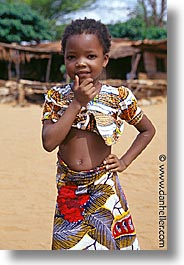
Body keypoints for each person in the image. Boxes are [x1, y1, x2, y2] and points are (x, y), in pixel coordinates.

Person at [41, 18, 155, 250]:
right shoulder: (56, 97)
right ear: (64, 60)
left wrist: (124, 161)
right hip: (69, 192)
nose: (81, 63)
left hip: (104, 188)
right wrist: (77, 103)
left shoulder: (118, 97)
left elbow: (147, 130)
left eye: (90, 56)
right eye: (72, 57)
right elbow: (49, 142)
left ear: (104, 60)